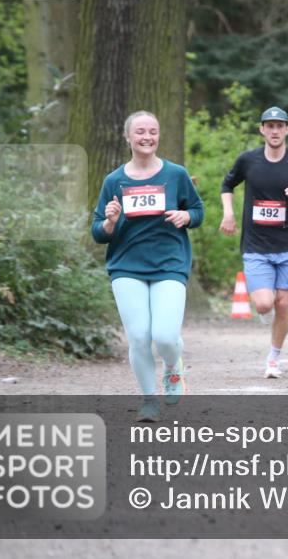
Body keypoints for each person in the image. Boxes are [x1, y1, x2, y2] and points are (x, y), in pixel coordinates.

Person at [91, 111, 204, 422]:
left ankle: (172, 365)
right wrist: (111, 222)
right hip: (127, 265)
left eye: (152, 131)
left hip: (169, 262)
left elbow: (197, 210)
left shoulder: (176, 174)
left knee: (166, 336)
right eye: (140, 131)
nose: (147, 137)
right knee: (139, 336)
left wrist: (187, 217)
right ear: (128, 137)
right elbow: (97, 231)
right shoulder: (114, 180)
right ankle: (148, 400)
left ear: (158, 136)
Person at [219, 106, 288, 379]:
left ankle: (274, 358)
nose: (275, 131)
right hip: (256, 245)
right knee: (265, 304)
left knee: (284, 304)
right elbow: (227, 185)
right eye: (269, 126)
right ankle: (266, 312)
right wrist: (228, 214)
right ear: (262, 130)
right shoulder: (248, 160)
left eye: (280, 126)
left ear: (287, 130)